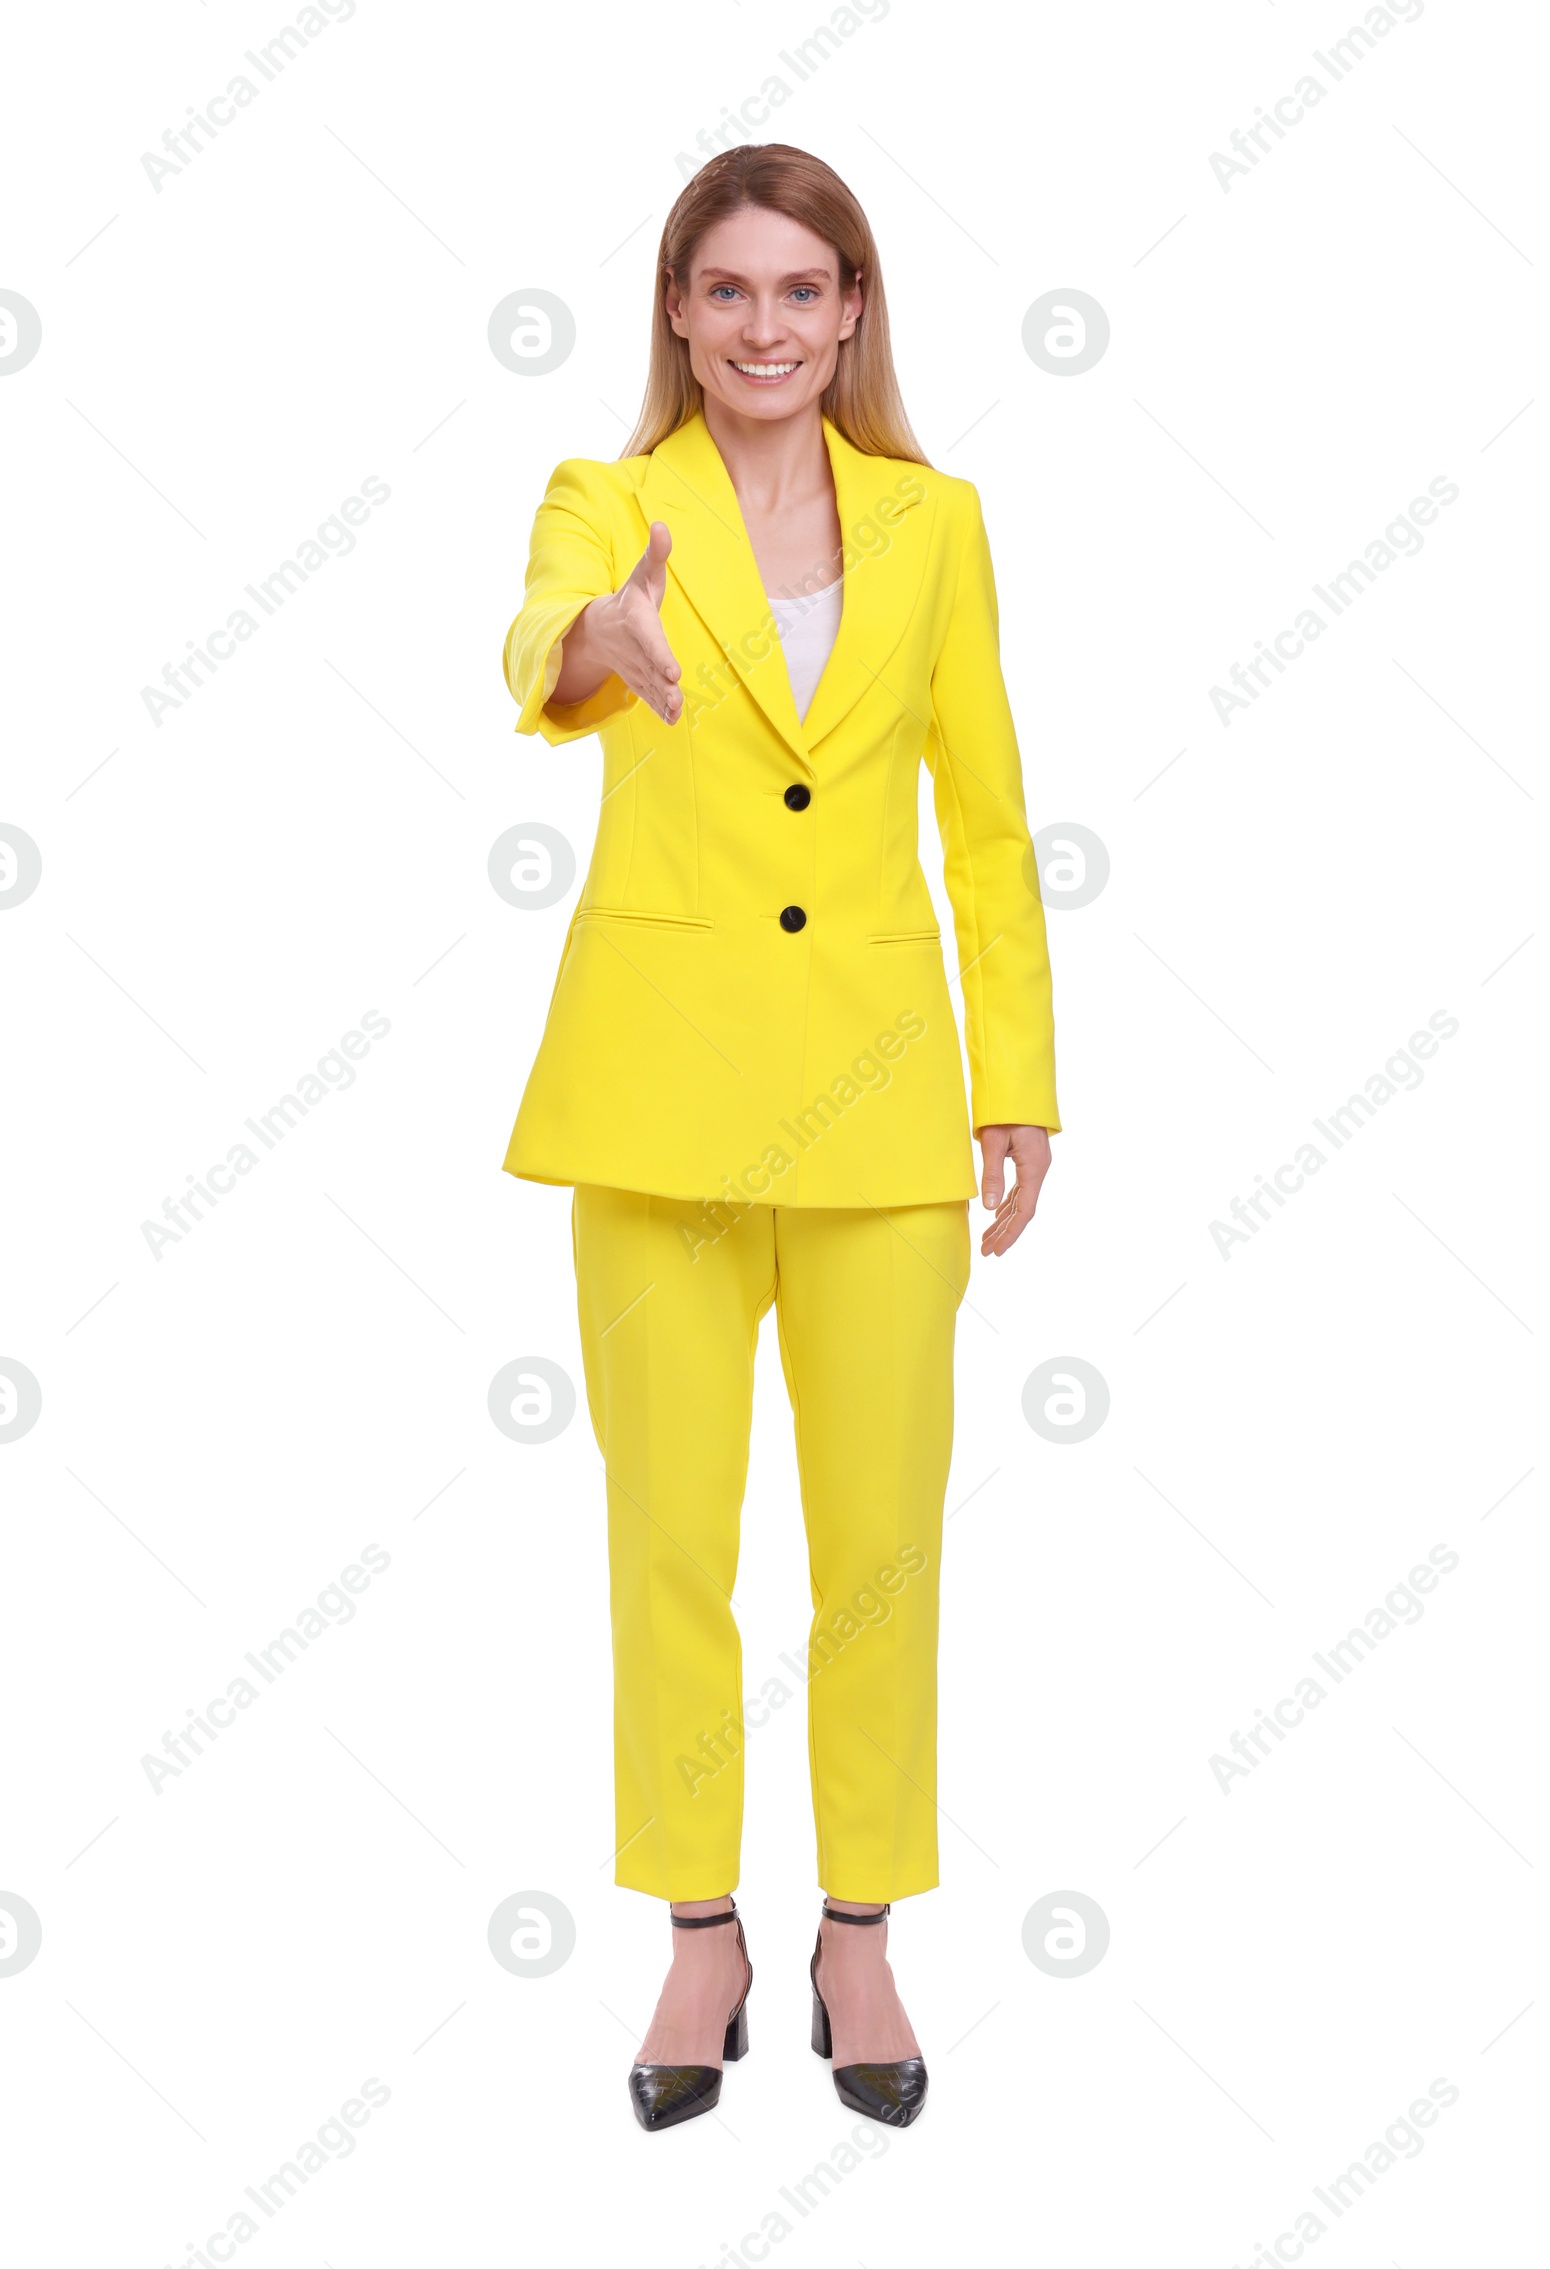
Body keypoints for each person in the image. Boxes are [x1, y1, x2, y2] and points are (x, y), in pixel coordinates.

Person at [499, 142, 1058, 2131]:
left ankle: (859, 1931)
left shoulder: (934, 521)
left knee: (879, 1548)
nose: (761, 327)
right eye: (724, 291)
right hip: (653, 1103)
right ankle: (695, 1933)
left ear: (848, 314)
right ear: (674, 309)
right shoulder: (609, 504)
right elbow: (544, 646)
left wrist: (1014, 1078)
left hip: (883, 1107)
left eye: (798, 292)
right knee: (666, 1545)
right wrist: (603, 650)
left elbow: (984, 820)